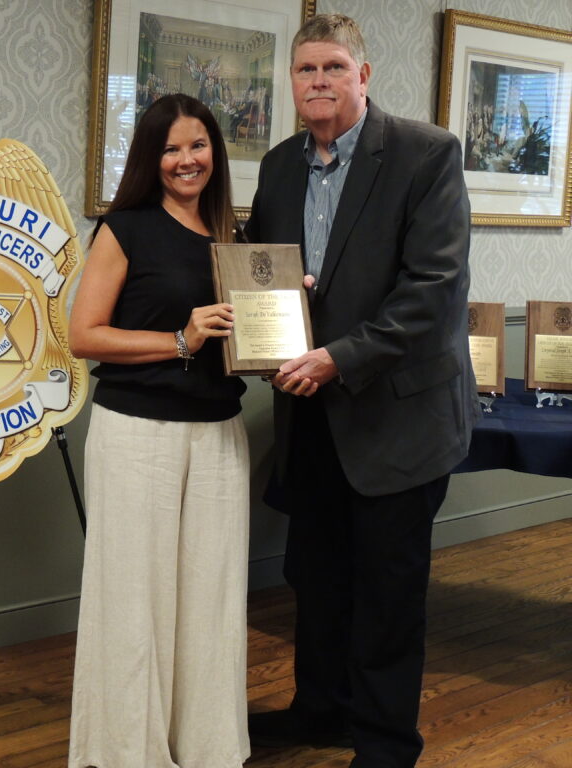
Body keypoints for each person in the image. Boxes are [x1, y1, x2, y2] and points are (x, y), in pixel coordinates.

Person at [243, 14, 478, 768]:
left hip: (395, 418)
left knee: (386, 595)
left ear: (364, 76)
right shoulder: (279, 166)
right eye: (306, 70)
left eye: (334, 69)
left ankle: (384, 746)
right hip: (309, 416)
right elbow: (263, 271)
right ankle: (321, 712)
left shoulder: (425, 154)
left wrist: (339, 357)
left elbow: (432, 292)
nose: (319, 83)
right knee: (314, 577)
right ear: (293, 82)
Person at [67, 93, 250, 768]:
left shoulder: (233, 234)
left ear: (215, 153)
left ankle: (207, 749)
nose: (186, 160)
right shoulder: (125, 227)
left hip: (220, 433)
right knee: (133, 602)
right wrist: (181, 339)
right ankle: (127, 754)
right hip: (137, 434)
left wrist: (285, 319)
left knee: (211, 599)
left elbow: (245, 337)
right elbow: (82, 336)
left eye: (197, 146)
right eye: (171, 149)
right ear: (151, 157)